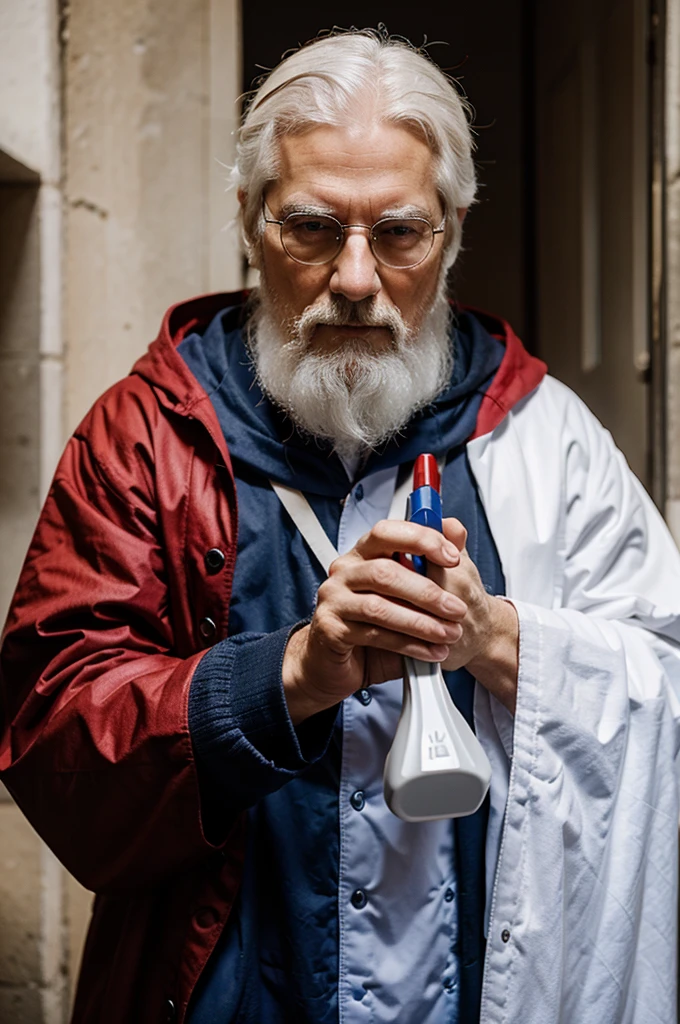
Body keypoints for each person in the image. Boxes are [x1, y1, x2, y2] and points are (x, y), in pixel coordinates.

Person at [1, 27, 679, 1024]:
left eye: (397, 232)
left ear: (449, 229)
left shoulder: (546, 437)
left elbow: (661, 687)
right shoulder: (147, 435)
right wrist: (291, 676)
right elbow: (56, 740)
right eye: (311, 227)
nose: (354, 278)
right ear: (247, 217)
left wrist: (496, 639)